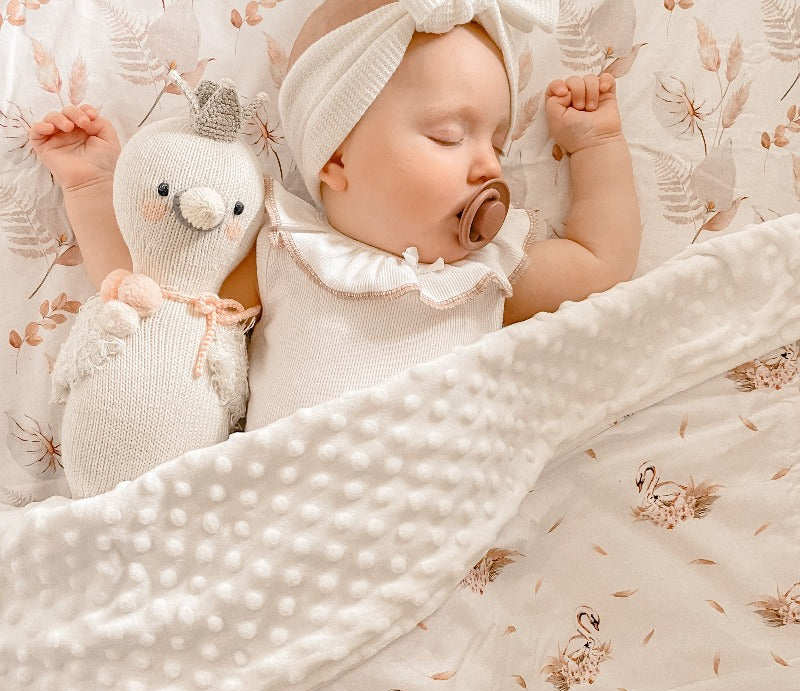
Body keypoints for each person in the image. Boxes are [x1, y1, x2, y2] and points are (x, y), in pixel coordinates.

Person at [29, 0, 640, 430]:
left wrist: (595, 146)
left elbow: (600, 261)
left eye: (498, 145)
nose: (490, 168)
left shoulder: (484, 276)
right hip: (293, 514)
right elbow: (159, 294)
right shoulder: (290, 255)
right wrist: (90, 186)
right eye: (451, 136)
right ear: (336, 157)